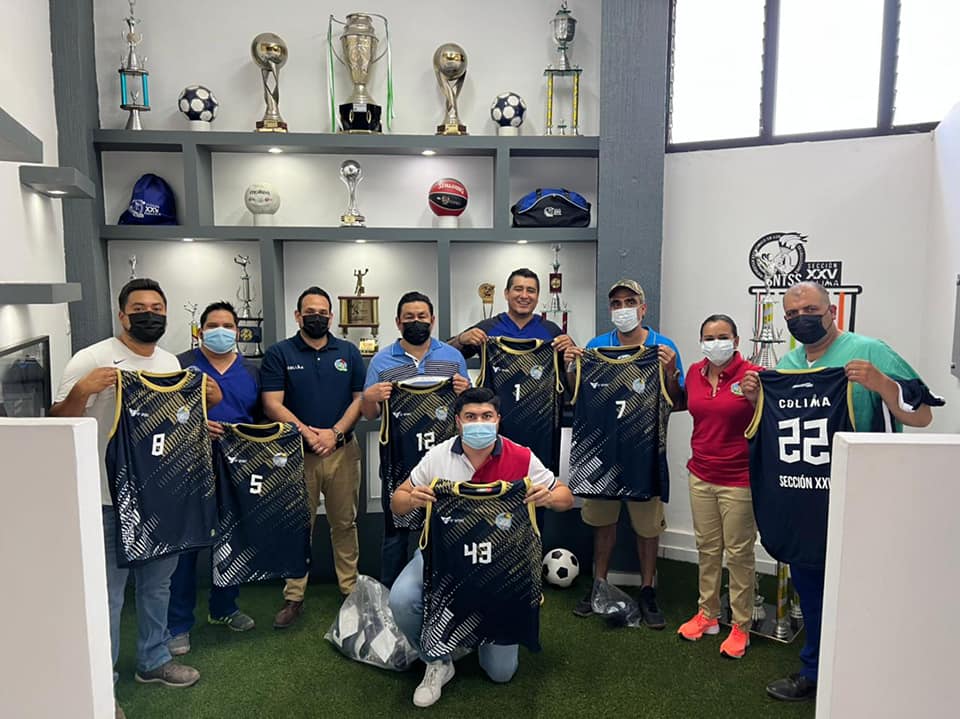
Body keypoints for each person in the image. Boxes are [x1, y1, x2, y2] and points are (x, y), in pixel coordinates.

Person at [740, 281, 933, 701]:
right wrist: (758, 399)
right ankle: (814, 670)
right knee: (811, 588)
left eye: (810, 309)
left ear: (832, 312)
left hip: (867, 497)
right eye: (792, 314)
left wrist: (881, 383)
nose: (801, 318)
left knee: (867, 590)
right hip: (805, 500)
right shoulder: (788, 364)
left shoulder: (870, 351)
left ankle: (873, 672)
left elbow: (922, 417)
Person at [51, 279, 221, 714]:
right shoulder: (91, 359)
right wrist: (83, 391)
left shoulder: (169, 362)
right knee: (108, 595)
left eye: (157, 308)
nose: (150, 314)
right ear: (122, 315)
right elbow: (55, 421)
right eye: (140, 308)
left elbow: (174, 420)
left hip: (160, 498)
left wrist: (203, 413)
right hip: (105, 498)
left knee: (157, 586)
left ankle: (153, 660)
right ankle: (101, 686)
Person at [388, 387, 574, 708]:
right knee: (402, 599)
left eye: (486, 416)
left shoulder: (521, 457)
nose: (479, 423)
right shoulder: (438, 456)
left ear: (498, 419)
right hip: (444, 559)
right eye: (471, 417)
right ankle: (437, 659)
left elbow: (565, 497)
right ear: (458, 422)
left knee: (501, 673)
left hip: (499, 566)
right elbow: (397, 501)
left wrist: (548, 497)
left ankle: (467, 637)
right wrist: (411, 498)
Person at [563, 279, 684, 628]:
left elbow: (677, 401)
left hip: (645, 452)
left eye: (629, 302)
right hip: (601, 453)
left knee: (647, 527)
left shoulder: (663, 347)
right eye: (616, 303)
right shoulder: (595, 347)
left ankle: (647, 589)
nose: (623, 308)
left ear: (643, 308)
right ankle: (599, 584)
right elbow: (576, 395)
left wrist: (670, 371)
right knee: (603, 524)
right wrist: (571, 368)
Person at [260, 286, 365, 629]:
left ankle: (350, 590)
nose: (316, 317)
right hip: (296, 455)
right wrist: (309, 434)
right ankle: (294, 596)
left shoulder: (348, 352)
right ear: (297, 316)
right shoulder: (279, 353)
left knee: (344, 524)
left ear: (331, 317)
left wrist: (334, 433)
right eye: (310, 312)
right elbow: (272, 404)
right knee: (298, 527)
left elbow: (360, 399)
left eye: (322, 312)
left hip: (342, 451)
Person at [167, 301, 260, 656]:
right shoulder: (179, 365)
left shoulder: (251, 371)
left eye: (228, 325)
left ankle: (224, 607)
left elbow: (259, 417)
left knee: (231, 540)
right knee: (187, 546)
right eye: (212, 325)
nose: (221, 331)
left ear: (237, 331)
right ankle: (178, 624)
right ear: (200, 331)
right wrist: (196, 426)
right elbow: (164, 414)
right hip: (189, 465)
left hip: (236, 466)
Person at [360, 291, 470, 587]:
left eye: (422, 316)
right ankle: (390, 596)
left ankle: (449, 589)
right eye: (409, 317)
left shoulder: (453, 357)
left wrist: (465, 393)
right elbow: (369, 414)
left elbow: (469, 410)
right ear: (398, 322)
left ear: (432, 320)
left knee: (449, 526)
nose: (416, 322)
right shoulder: (381, 361)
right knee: (396, 532)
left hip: (446, 461)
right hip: (399, 459)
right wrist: (369, 397)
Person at [676, 314, 762, 659]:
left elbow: (769, 422)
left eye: (723, 337)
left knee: (739, 553)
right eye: (709, 338)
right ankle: (708, 615)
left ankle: (741, 625)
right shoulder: (694, 373)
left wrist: (755, 400)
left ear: (736, 341)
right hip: (701, 474)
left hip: (739, 479)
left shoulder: (753, 376)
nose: (716, 343)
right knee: (707, 548)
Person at [446, 267, 575, 358]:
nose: (524, 296)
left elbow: (575, 369)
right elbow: (443, 354)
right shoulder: (487, 328)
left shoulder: (551, 331)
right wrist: (461, 339)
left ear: (537, 296)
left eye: (530, 291)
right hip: (492, 392)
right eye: (518, 289)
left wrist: (571, 349)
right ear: (506, 293)